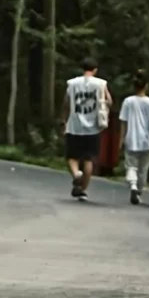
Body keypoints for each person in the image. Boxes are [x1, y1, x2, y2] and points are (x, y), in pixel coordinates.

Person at [63, 59, 112, 200]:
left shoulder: (72, 83)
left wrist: (63, 120)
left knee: (72, 157)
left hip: (74, 125)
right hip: (93, 127)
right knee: (89, 159)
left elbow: (66, 103)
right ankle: (82, 189)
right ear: (95, 69)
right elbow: (109, 101)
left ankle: (77, 175)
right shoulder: (101, 84)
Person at [118, 70, 149, 205]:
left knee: (131, 166)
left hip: (131, 138)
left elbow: (123, 122)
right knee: (143, 169)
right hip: (146, 140)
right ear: (146, 86)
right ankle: (139, 190)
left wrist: (121, 139)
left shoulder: (128, 101)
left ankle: (132, 185)